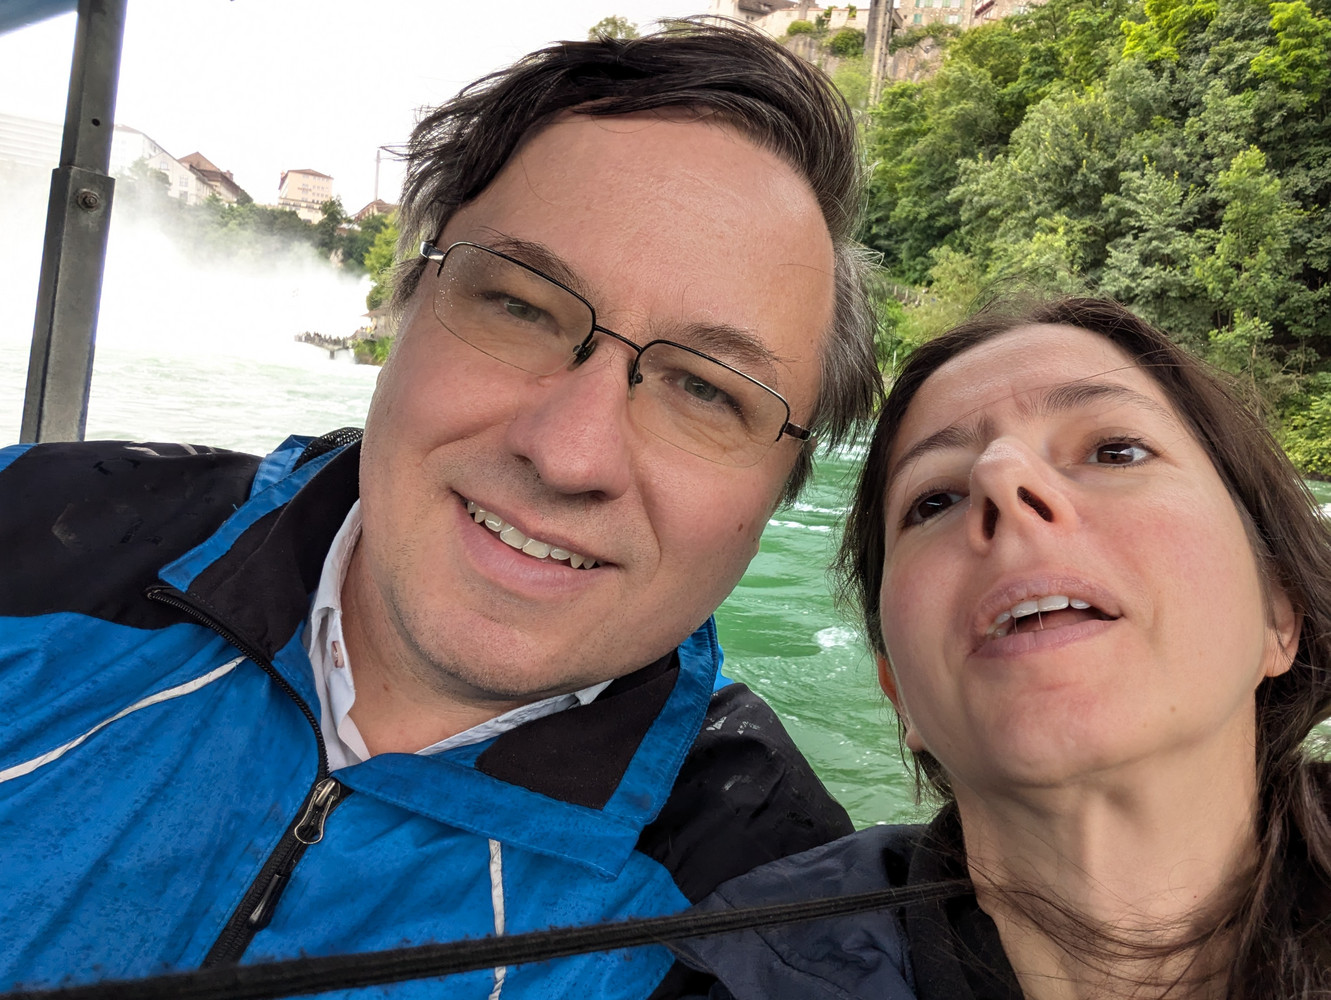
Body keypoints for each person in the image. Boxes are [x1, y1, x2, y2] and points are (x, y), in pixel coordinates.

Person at [0, 23, 882, 999]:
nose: (569, 452)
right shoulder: (27, 531)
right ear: (404, 302)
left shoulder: (782, 920)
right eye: (520, 307)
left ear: (781, 489)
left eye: (708, 391)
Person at [675, 297, 1331, 998]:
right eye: (934, 500)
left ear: (1278, 611)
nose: (1000, 477)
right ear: (899, 691)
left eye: (1115, 451)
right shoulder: (745, 974)